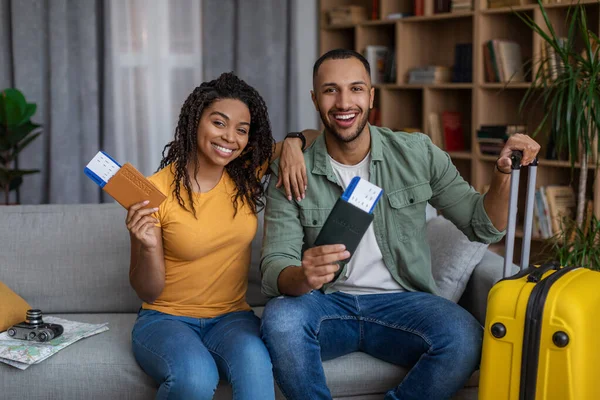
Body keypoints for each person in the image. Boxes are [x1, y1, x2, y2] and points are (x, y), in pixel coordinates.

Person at [259, 49, 541, 400]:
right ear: (315, 99)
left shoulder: (416, 153)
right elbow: (274, 265)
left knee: (466, 335)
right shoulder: (292, 170)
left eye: (356, 88)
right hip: (326, 304)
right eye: (331, 90)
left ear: (371, 95)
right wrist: (301, 276)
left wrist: (502, 175)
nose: (344, 102)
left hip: (404, 304)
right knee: (281, 320)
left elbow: (481, 225)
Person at [126, 71, 318, 400]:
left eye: (241, 130)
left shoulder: (245, 173)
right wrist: (145, 245)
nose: (230, 137)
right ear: (195, 122)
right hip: (166, 319)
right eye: (219, 123)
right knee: (196, 377)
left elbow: (315, 135)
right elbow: (148, 289)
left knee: (257, 367)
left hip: (231, 318)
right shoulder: (152, 191)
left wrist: (293, 145)